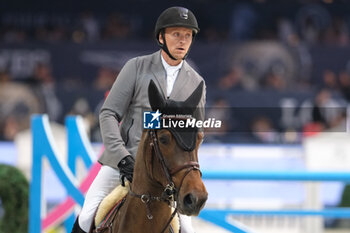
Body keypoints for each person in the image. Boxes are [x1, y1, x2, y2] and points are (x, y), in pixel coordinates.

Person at [71, 6, 206, 233]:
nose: (182, 41)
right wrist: (121, 157)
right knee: (86, 217)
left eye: (188, 36)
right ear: (161, 37)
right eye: (176, 34)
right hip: (124, 162)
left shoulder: (196, 83)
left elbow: (194, 132)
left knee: (188, 229)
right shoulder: (136, 67)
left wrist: (183, 168)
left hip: (167, 172)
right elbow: (109, 114)